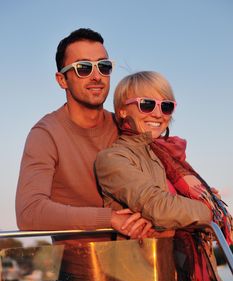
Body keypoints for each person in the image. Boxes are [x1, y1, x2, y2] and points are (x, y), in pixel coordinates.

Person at [95, 71, 233, 281]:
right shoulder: (113, 158)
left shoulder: (169, 155)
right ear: (123, 110)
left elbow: (175, 208)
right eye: (146, 104)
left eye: (166, 106)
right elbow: (160, 208)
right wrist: (210, 208)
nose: (158, 114)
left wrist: (196, 207)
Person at [15, 28, 153, 237]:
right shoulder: (45, 134)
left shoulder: (125, 125)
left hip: (143, 260)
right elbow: (29, 212)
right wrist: (109, 218)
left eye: (104, 66)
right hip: (80, 266)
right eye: (83, 68)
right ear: (62, 80)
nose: (97, 76)